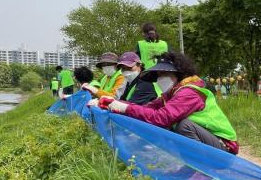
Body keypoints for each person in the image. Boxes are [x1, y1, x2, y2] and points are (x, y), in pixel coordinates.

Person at [89, 51, 239, 154]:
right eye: (159, 75)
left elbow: (161, 117)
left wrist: (124, 108)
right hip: (210, 143)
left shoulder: (189, 92)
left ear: (178, 74)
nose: (161, 78)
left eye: (165, 74)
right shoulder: (171, 93)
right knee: (170, 124)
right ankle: (192, 166)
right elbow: (146, 108)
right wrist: (112, 104)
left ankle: (201, 169)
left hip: (224, 148)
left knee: (183, 125)